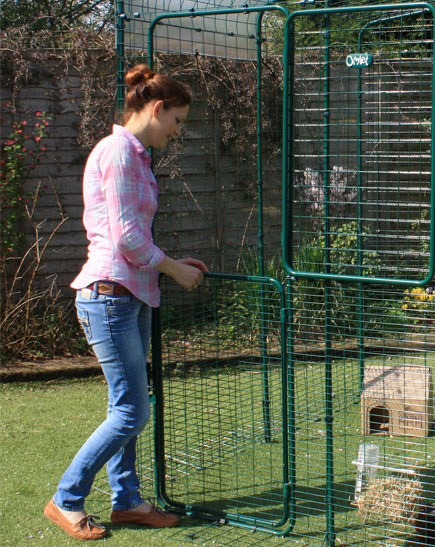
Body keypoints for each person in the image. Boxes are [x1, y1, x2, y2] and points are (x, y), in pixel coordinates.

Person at [44, 64, 208, 540]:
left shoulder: (135, 156)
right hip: (108, 297)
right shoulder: (118, 151)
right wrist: (173, 268)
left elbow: (134, 237)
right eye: (176, 120)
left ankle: (128, 501)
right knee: (132, 412)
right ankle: (66, 500)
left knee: (126, 407)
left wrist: (173, 262)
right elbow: (128, 238)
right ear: (156, 109)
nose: (177, 131)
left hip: (128, 296)